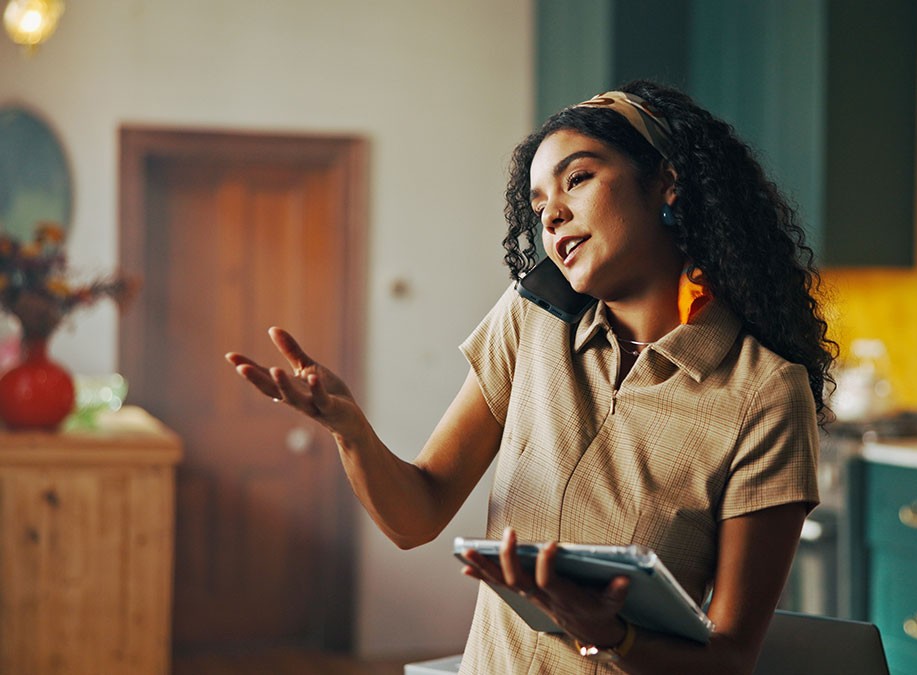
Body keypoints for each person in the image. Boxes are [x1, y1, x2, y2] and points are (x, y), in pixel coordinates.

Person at [226, 80, 836, 674]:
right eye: (539, 203)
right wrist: (349, 427)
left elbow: (730, 659)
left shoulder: (764, 392)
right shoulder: (530, 322)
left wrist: (611, 636)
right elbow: (416, 518)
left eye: (578, 178)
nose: (553, 216)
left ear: (666, 185)